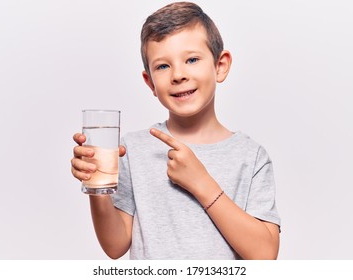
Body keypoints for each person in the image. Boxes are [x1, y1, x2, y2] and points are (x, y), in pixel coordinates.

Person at [71, 1, 280, 260]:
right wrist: (97, 185)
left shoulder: (251, 156)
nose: (178, 74)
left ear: (220, 65)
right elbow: (115, 246)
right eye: (162, 66)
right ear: (150, 83)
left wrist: (201, 183)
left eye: (192, 59)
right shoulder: (132, 150)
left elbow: (265, 254)